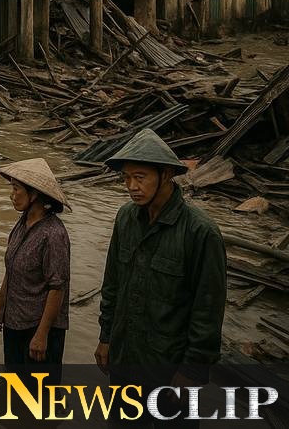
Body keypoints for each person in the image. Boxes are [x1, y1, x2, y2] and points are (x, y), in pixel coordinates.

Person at [95, 128, 226, 423]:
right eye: (126, 178)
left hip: (167, 370)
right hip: (125, 359)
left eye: (140, 177)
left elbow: (208, 310)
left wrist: (191, 371)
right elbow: (112, 284)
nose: (132, 186)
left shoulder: (200, 232)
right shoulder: (126, 218)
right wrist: (106, 337)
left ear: (166, 174)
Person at [0, 158, 70, 368]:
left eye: (17, 189)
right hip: (15, 320)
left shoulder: (53, 234)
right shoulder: (22, 224)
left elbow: (57, 288)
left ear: (34, 194)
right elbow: (12, 268)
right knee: (16, 390)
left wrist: (42, 335)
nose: (12, 195)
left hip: (39, 327)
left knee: (40, 396)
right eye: (12, 188)